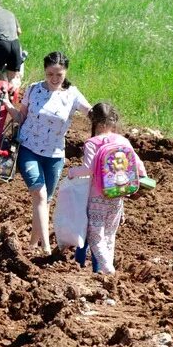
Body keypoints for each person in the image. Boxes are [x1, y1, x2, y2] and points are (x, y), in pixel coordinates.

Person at [0, 51, 91, 255]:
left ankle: (32, 245)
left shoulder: (72, 94)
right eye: (50, 74)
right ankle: (47, 249)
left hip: (55, 154)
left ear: (65, 73)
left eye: (59, 75)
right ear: (44, 71)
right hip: (28, 148)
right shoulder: (33, 90)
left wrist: (103, 117)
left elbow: (89, 111)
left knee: (44, 200)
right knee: (39, 194)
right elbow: (21, 117)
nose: (54, 79)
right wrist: (7, 104)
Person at [67, 103, 146, 275]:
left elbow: (88, 169)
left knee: (95, 236)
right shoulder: (123, 140)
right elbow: (138, 165)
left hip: (96, 196)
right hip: (117, 195)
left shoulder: (92, 143)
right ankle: (103, 267)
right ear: (113, 121)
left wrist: (71, 172)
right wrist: (142, 179)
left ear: (94, 121)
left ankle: (107, 269)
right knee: (110, 235)